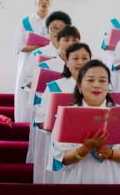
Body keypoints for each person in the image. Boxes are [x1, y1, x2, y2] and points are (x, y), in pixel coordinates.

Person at [49, 60, 120, 184]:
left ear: (108, 85)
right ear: (79, 85)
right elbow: (61, 157)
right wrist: (86, 148)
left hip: (111, 179)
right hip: (77, 180)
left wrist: (110, 153)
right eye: (90, 80)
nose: (96, 85)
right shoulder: (67, 115)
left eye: (102, 80)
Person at [33, 43, 91, 184]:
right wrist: (52, 123)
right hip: (61, 145)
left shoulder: (100, 87)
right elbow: (40, 120)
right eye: (75, 58)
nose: (80, 62)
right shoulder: (54, 87)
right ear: (66, 61)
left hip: (92, 145)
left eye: (85, 58)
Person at [17, 10, 70, 124]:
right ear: (47, 31)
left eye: (61, 27)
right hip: (41, 103)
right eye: (53, 28)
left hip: (66, 102)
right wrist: (39, 82)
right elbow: (26, 80)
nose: (57, 31)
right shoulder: (37, 54)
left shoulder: (75, 54)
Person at [13, 0, 53, 123]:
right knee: (25, 95)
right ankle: (22, 124)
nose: (44, 1)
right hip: (27, 64)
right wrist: (41, 47)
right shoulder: (25, 22)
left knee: (45, 94)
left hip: (48, 64)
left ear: (51, 3)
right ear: (35, 2)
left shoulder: (54, 23)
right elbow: (18, 47)